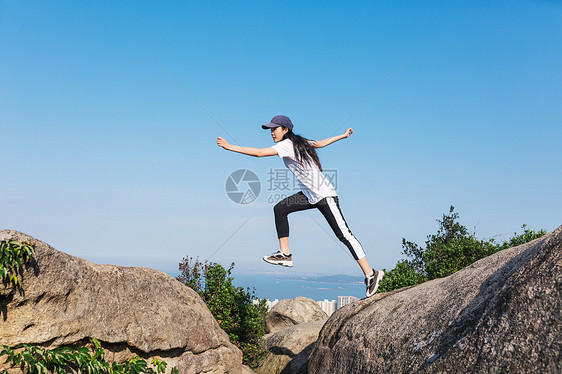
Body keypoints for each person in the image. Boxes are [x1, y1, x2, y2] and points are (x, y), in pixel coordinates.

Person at [217, 115, 384, 298]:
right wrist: (342, 136)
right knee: (280, 209)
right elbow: (320, 144)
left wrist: (229, 147)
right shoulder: (300, 142)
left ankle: (371, 274)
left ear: (285, 129)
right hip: (309, 196)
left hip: (324, 196)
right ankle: (285, 254)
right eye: (271, 130)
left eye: (275, 129)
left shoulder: (287, 144)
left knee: (344, 235)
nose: (272, 133)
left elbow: (259, 153)